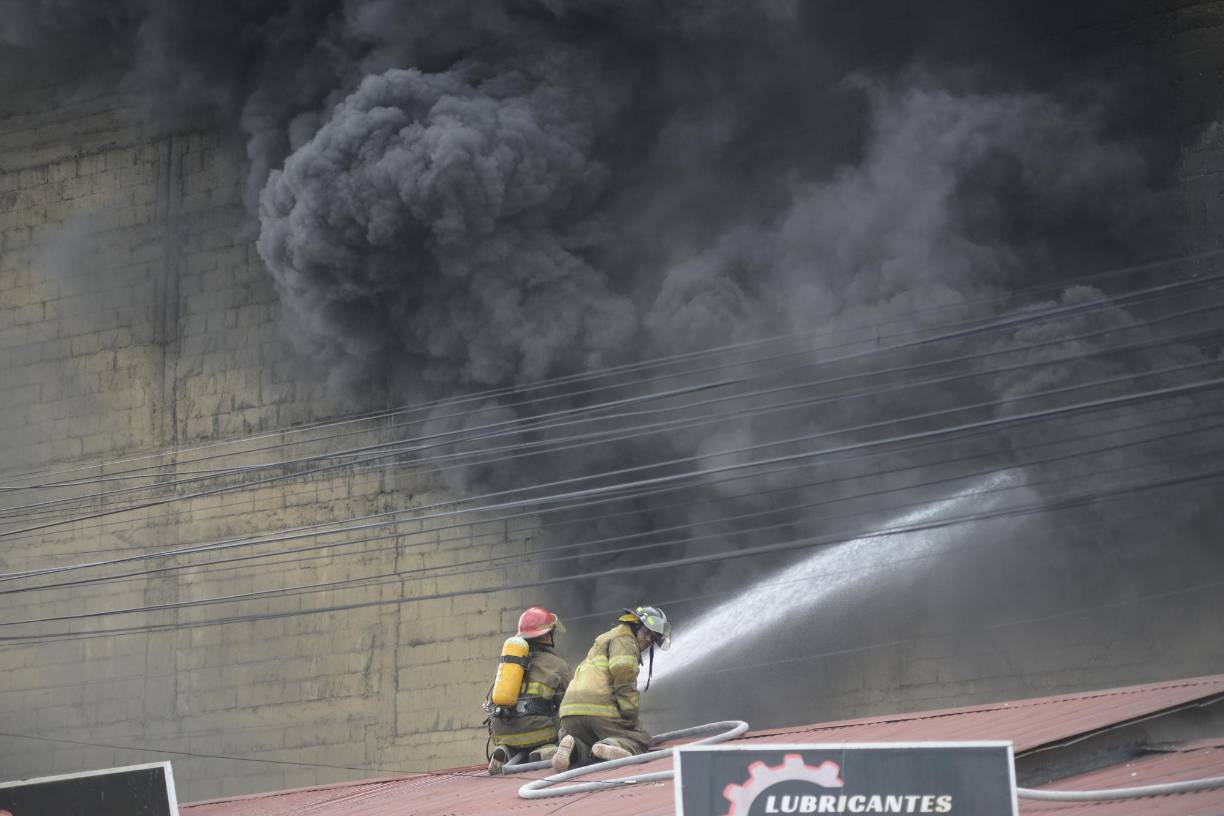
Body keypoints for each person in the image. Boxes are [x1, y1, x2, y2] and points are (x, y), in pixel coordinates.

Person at [552, 605, 671, 771]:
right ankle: (612, 744)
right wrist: (630, 718)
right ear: (635, 625)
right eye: (647, 634)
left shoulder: (606, 638)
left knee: (589, 744)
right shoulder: (625, 640)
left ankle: (573, 749)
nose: (647, 641)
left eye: (652, 639)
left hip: (569, 715)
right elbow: (624, 678)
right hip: (598, 711)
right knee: (641, 738)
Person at [486, 606, 572, 775]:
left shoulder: (512, 663)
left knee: (516, 740)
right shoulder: (558, 666)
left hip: (502, 733)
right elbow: (568, 706)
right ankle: (544, 751)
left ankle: (505, 751)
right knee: (561, 724)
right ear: (547, 636)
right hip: (537, 733)